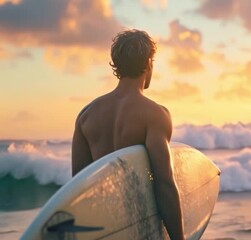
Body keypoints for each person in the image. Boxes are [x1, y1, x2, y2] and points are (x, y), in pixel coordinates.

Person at [71, 29, 185, 240]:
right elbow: (164, 182)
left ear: (117, 65)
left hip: (105, 227)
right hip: (139, 221)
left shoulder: (86, 116)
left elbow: (78, 186)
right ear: (149, 62)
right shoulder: (155, 115)